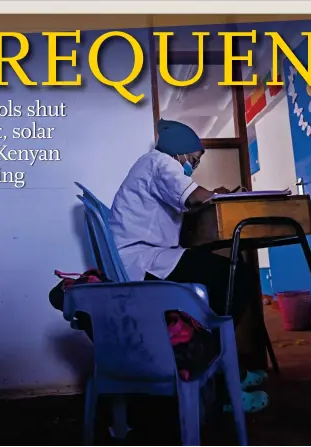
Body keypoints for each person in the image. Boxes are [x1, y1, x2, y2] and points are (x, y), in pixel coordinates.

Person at [108, 118, 269, 413]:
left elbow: (187, 199)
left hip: (142, 259)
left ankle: (226, 372)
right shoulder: (159, 162)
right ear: (179, 153)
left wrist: (210, 194)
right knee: (236, 277)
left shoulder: (148, 166)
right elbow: (194, 196)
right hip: (143, 260)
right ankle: (225, 384)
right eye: (193, 161)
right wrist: (219, 194)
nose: (191, 168)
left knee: (222, 279)